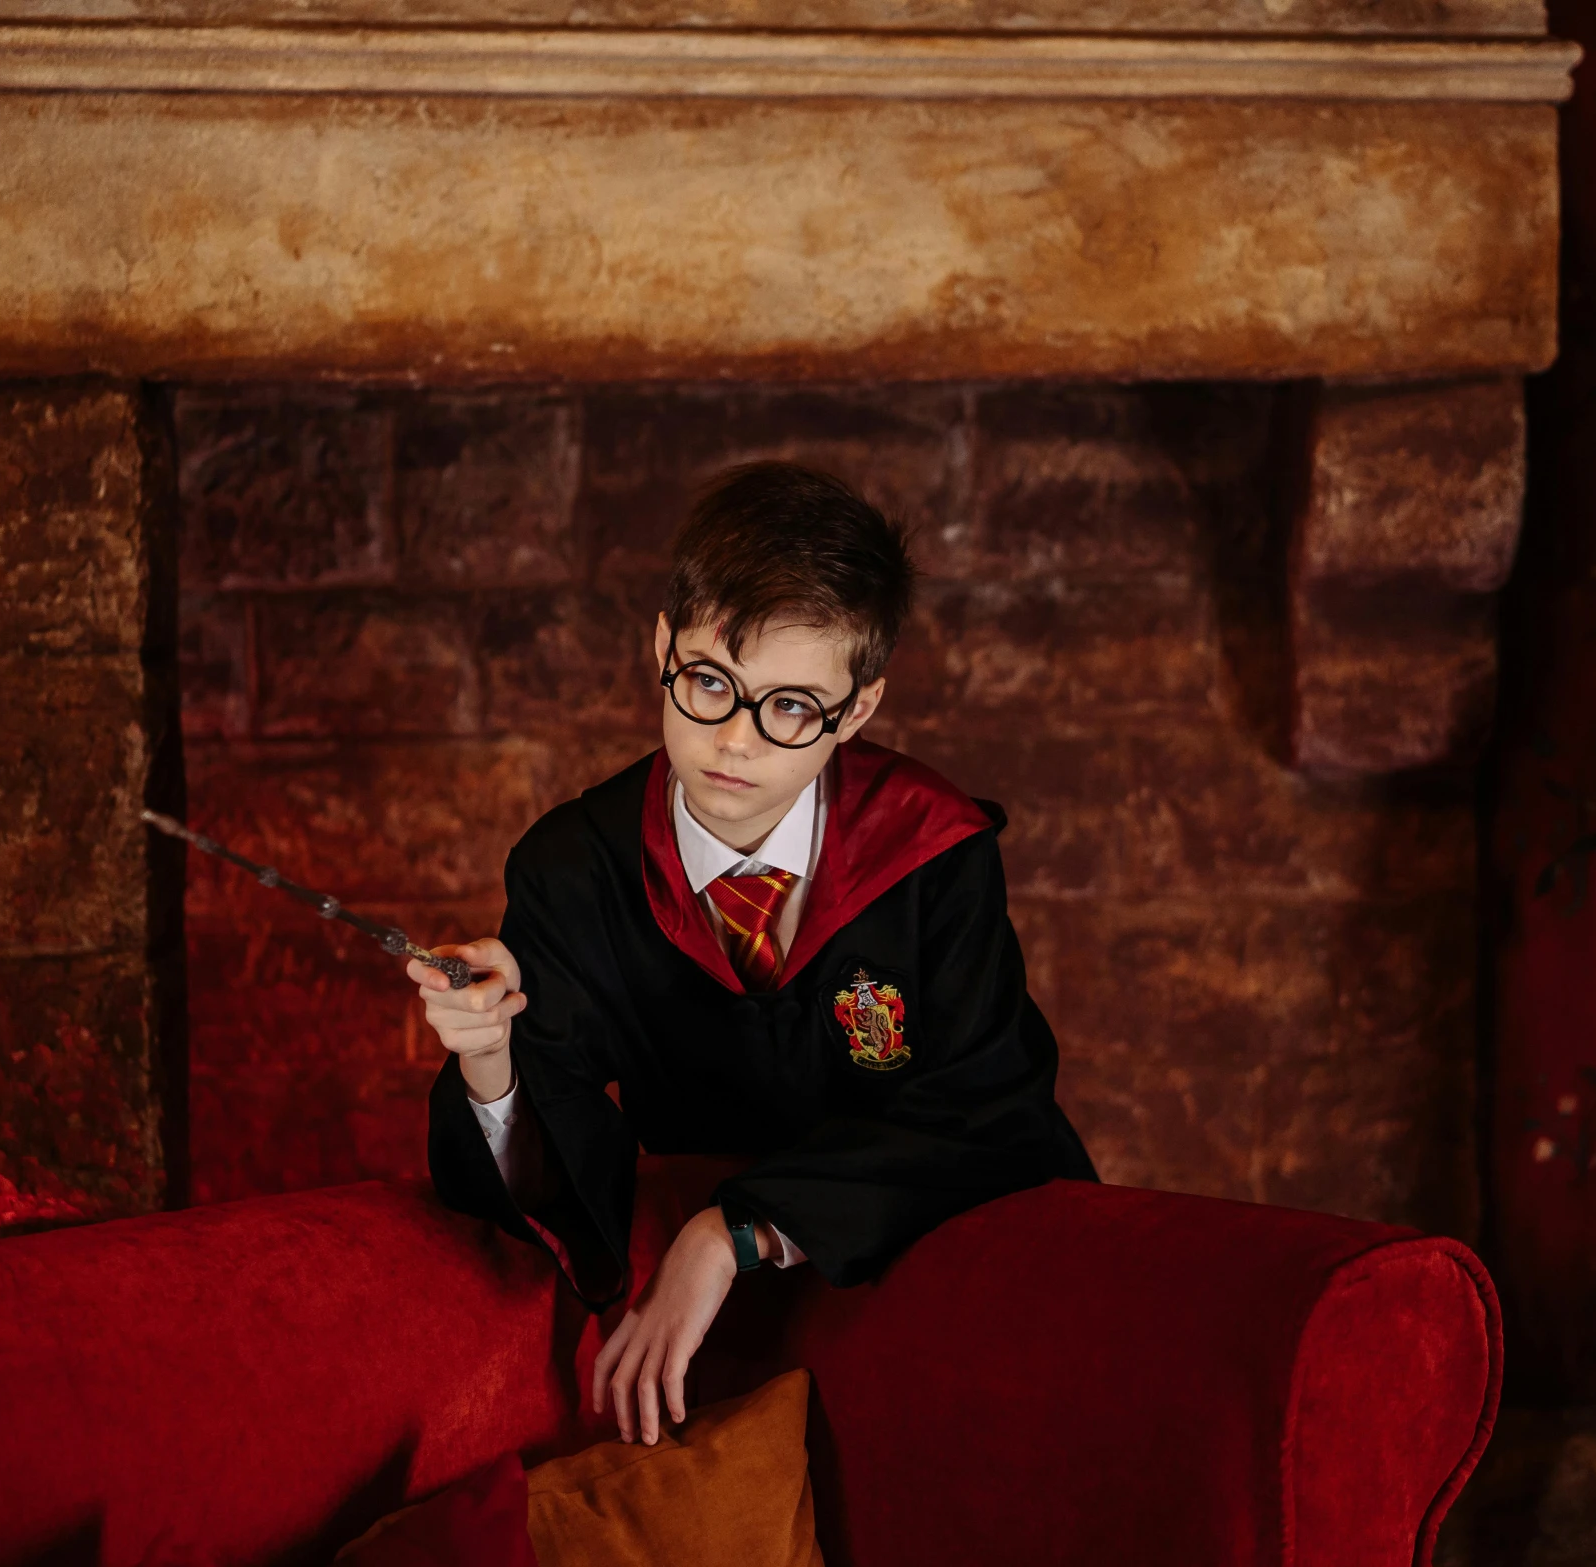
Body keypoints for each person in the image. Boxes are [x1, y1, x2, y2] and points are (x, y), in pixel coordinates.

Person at [409, 461, 1096, 1448]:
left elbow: (995, 1113)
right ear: (662, 646)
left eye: (790, 706)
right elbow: (544, 1180)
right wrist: (488, 1053)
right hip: (724, 1349)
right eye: (708, 683)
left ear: (856, 710)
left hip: (947, 1288)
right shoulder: (578, 867)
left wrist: (731, 1229)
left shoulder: (931, 854)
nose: (734, 740)